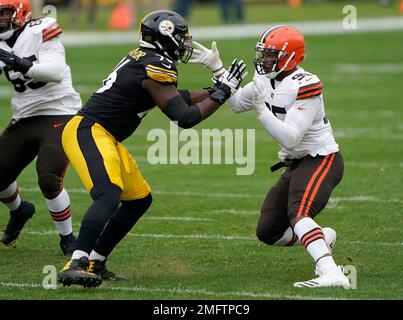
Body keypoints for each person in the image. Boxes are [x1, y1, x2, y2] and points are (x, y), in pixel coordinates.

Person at [58, 9, 247, 288]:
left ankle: (96, 261)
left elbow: (175, 97)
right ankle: (76, 261)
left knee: (138, 200)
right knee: (108, 194)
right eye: (181, 38)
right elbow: (184, 117)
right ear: (166, 36)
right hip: (89, 130)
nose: (185, 44)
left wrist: (216, 88)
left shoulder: (146, 58)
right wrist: (221, 93)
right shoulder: (156, 64)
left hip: (104, 134)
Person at [225, 25, 350, 288]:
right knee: (268, 231)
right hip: (296, 163)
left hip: (321, 158)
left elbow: (290, 137)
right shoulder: (265, 79)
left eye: (271, 54)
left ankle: (331, 272)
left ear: (290, 56)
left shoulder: (306, 84)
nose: (264, 59)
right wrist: (217, 71)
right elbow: (236, 104)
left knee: (299, 213)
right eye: (263, 53)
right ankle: (320, 237)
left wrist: (261, 109)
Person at [0, 0, 81, 256]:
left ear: (20, 13)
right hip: (25, 116)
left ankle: (68, 239)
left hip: (60, 111)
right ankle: (19, 210)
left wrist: (15, 60)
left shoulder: (42, 28)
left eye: (4, 12)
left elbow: (55, 72)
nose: (0, 18)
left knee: (48, 176)